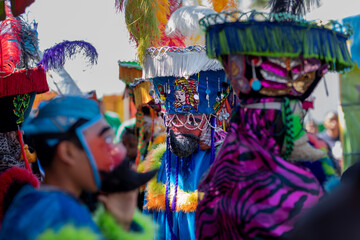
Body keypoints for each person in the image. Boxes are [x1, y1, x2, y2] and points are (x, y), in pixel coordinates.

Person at [0, 96, 157, 240]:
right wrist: (121, 227)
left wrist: (118, 224)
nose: (113, 153)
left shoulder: (34, 202)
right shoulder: (62, 213)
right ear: (68, 152)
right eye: (105, 140)